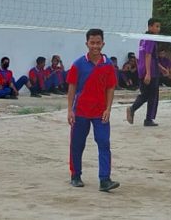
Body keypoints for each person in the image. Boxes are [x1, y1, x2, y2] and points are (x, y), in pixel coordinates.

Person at [68, 28, 119, 192]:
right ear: (87, 43)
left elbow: (111, 88)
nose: (95, 46)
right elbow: (72, 87)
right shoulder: (78, 64)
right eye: (92, 43)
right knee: (77, 144)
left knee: (104, 143)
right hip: (81, 111)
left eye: (98, 43)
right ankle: (75, 176)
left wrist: (108, 109)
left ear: (103, 43)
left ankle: (105, 180)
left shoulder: (108, 65)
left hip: (100, 112)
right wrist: (70, 110)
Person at [127, 18, 161, 127]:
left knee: (146, 94)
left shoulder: (143, 39)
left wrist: (161, 68)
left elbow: (143, 56)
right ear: (150, 27)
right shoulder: (151, 39)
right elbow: (148, 55)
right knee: (152, 96)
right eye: (156, 26)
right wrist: (148, 73)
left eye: (159, 26)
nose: (158, 29)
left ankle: (134, 110)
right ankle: (147, 118)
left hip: (142, 70)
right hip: (150, 71)